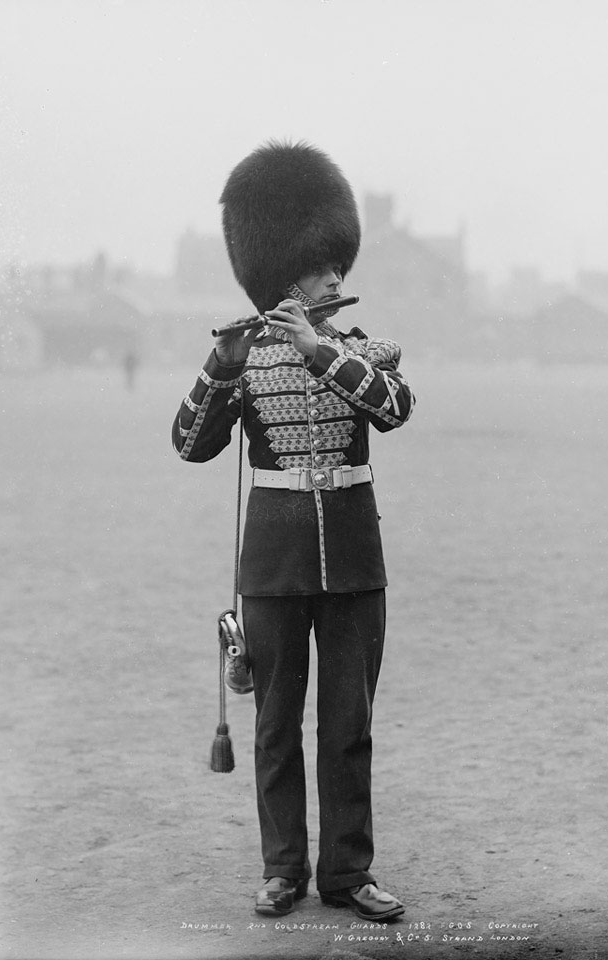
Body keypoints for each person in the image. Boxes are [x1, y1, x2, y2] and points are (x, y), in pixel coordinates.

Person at [172, 141, 415, 921]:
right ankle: (283, 871)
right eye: (320, 269)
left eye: (336, 266)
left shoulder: (359, 348)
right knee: (276, 727)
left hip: (351, 560)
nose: (336, 278)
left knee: (348, 727)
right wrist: (219, 367)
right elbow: (188, 443)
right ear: (283, 272)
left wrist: (319, 352)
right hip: (272, 565)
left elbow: (395, 407)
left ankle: (348, 874)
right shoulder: (243, 359)